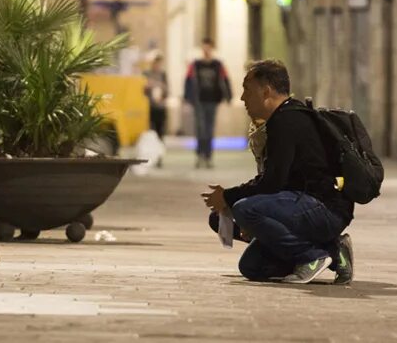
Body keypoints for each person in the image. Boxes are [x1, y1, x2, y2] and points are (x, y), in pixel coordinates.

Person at [200, 59, 353, 284]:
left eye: (247, 90)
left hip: (324, 209)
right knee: (251, 266)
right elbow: (278, 182)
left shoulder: (288, 120)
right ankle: (334, 249)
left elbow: (272, 182)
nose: (242, 98)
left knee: (244, 209)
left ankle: (312, 256)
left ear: (266, 91)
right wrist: (256, 222)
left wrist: (230, 198)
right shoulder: (279, 119)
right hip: (300, 205)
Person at [183, 38, 232, 169]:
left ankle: (208, 156)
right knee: (200, 129)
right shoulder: (196, 64)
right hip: (199, 100)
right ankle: (200, 155)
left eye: (208, 47)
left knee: (209, 129)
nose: (206, 50)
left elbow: (225, 79)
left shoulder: (217, 64)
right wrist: (187, 97)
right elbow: (187, 80)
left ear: (211, 48)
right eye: (204, 47)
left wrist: (228, 96)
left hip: (213, 100)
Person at [143, 55, 169, 165]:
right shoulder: (146, 74)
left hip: (160, 108)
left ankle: (159, 157)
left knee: (160, 133)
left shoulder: (163, 75)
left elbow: (167, 90)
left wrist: (161, 89)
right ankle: (149, 156)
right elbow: (142, 90)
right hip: (149, 108)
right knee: (150, 133)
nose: (156, 65)